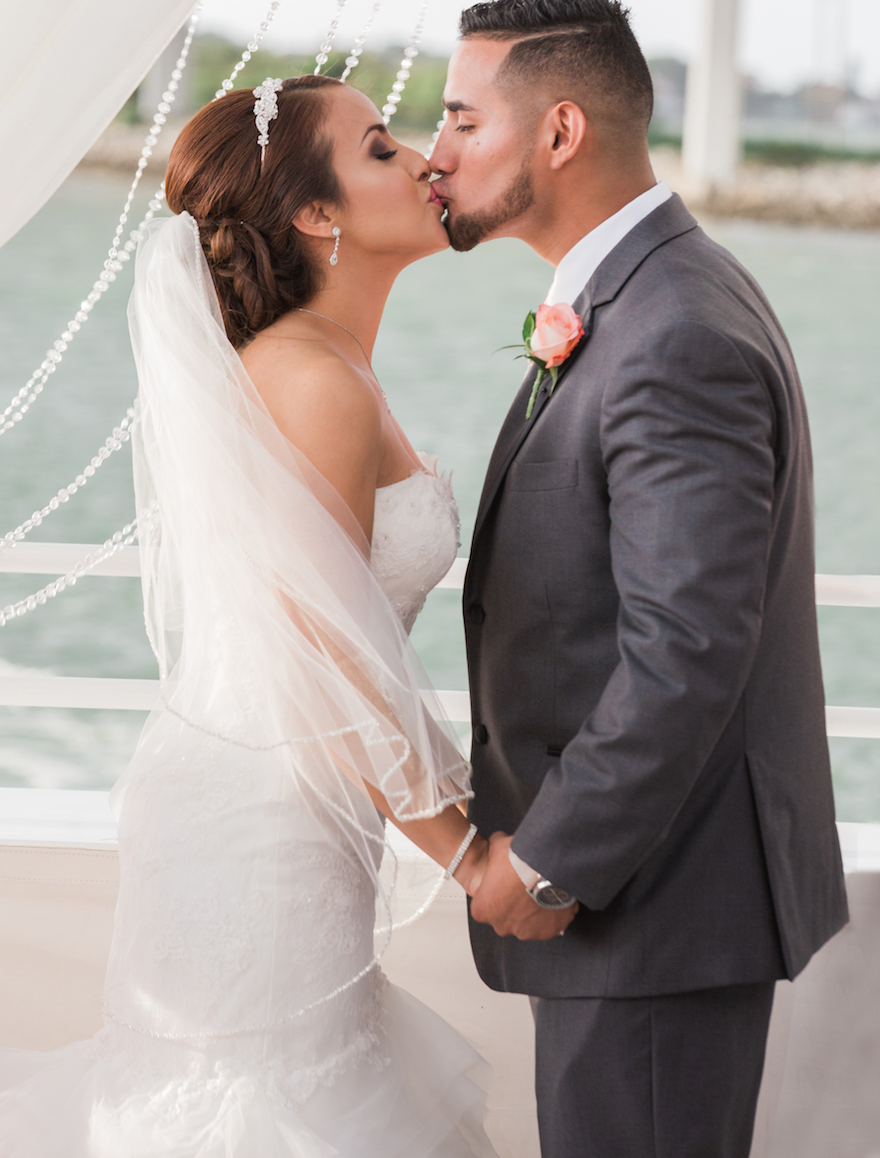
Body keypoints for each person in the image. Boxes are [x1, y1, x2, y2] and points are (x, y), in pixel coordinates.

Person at [0, 76, 509, 1156]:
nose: (422, 159)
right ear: (318, 214)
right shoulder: (314, 381)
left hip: (294, 799)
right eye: (380, 148)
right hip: (262, 823)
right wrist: (468, 857)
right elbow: (325, 653)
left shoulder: (330, 369)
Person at [430, 0, 849, 1158]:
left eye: (464, 120)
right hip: (649, 913)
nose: (436, 152)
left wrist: (555, 859)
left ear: (560, 132)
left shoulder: (673, 333)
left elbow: (688, 649)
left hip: (651, 906)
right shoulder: (653, 292)